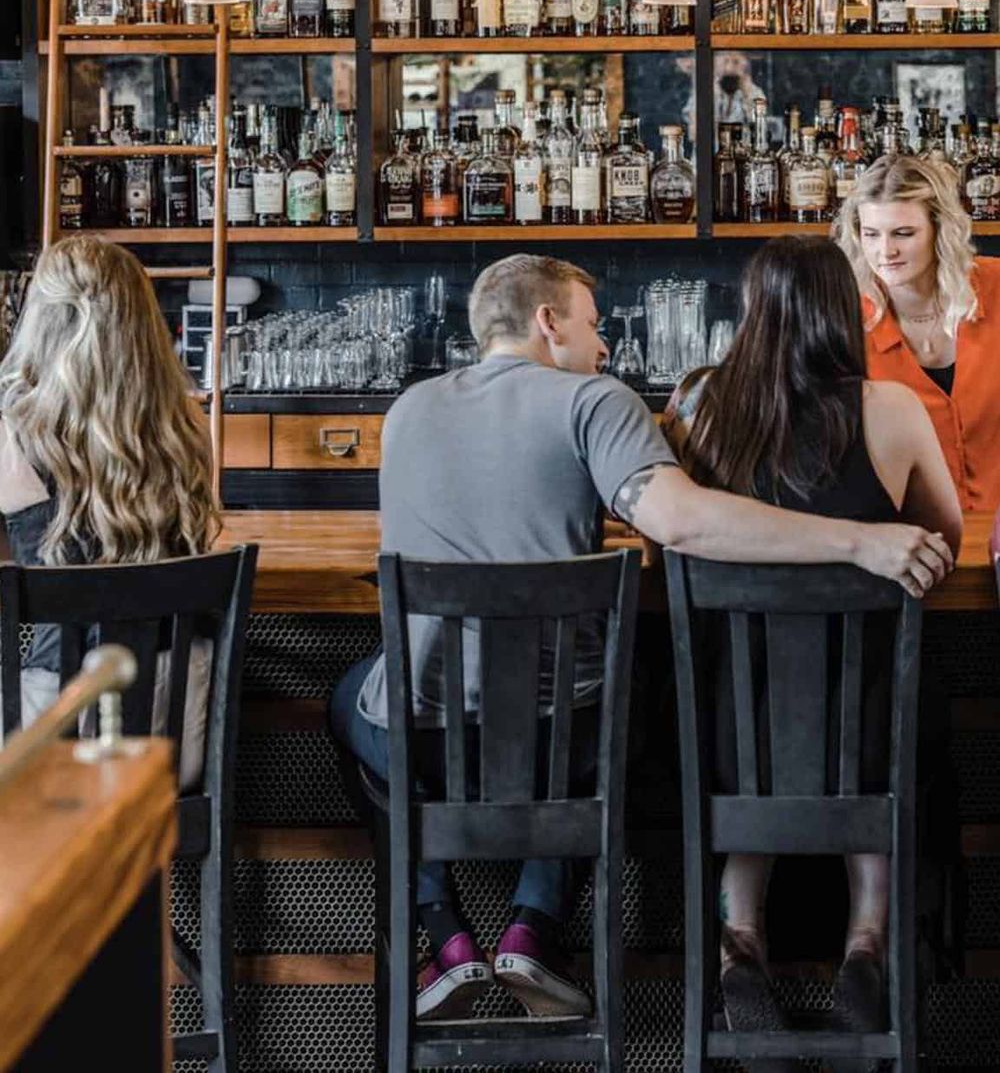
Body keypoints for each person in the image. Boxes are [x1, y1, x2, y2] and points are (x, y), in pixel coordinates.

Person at [329, 253, 953, 1025]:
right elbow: (682, 520)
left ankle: (444, 935)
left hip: (421, 740)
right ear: (547, 322)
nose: (604, 347)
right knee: (627, 698)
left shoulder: (407, 411)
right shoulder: (594, 401)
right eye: (593, 325)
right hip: (569, 733)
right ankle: (535, 923)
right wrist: (861, 541)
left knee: (349, 696)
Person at [665, 236, 961, 1073]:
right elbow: (945, 538)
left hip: (730, 732)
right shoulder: (892, 408)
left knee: (753, 720)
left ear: (752, 311)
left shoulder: (696, 404)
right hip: (870, 731)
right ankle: (866, 944)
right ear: (843, 307)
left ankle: (740, 940)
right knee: (878, 716)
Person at [0, 235, 220, 788]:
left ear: (41, 320)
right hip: (175, 725)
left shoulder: (12, 434)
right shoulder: (186, 428)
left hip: (57, 729)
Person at [835, 153, 1000, 511]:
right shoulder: (843, 318)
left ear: (941, 230)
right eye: (871, 234)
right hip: (905, 543)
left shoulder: (995, 286)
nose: (885, 251)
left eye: (903, 233)